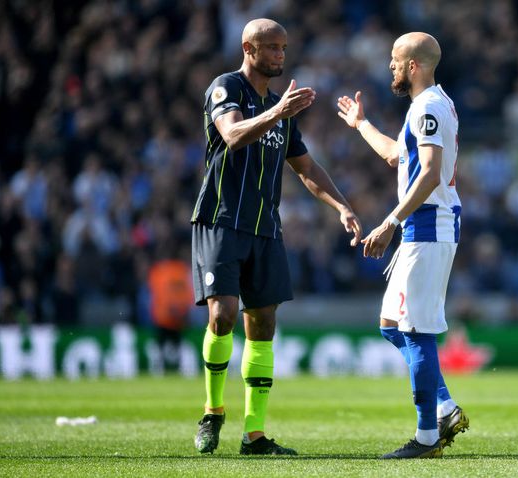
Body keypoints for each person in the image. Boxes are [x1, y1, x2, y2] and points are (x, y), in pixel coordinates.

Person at [191, 18, 362, 455]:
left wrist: (341, 205)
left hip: (265, 228)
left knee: (262, 326)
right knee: (223, 315)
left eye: (283, 48)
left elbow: (306, 168)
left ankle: (255, 434)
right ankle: (213, 412)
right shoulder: (226, 87)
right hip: (221, 219)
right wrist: (276, 112)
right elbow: (231, 135)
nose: (280, 56)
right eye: (271, 48)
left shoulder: (281, 110)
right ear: (248, 47)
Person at [337, 32, 468, 459]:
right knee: (392, 326)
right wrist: (361, 124)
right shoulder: (427, 106)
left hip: (428, 227)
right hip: (422, 229)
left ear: (414, 65)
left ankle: (427, 437)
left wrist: (391, 220)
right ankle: (444, 406)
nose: (390, 66)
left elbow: (429, 173)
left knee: (416, 330)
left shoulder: (428, 105)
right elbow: (398, 156)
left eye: (395, 59)